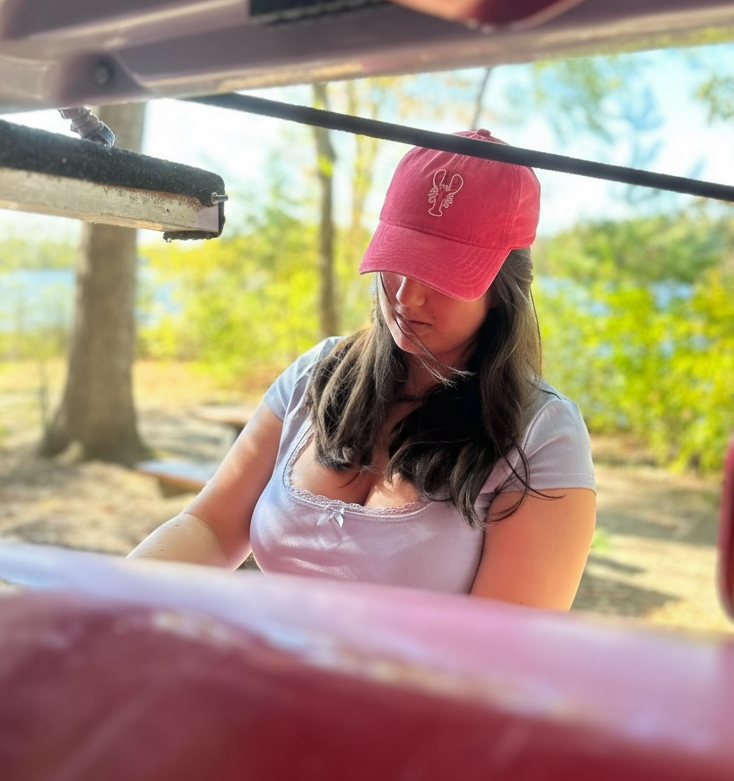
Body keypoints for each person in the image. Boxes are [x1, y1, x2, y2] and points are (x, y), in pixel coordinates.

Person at [129, 130, 597, 610]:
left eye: (442, 273)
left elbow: (499, 659)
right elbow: (209, 528)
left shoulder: (542, 436)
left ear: (505, 287)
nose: (405, 296)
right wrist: (104, 600)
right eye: (400, 260)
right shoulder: (319, 374)